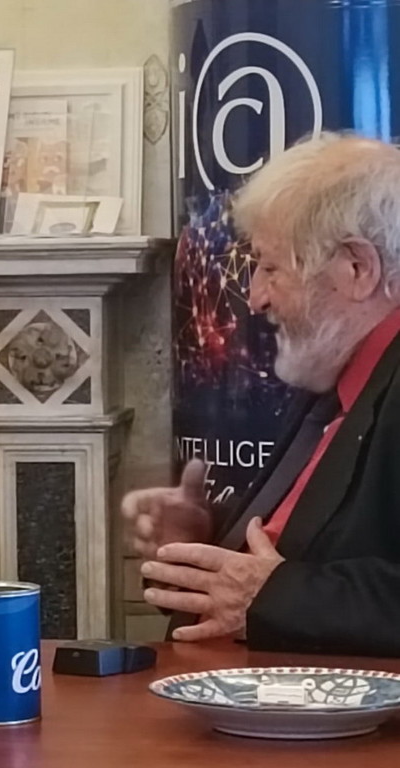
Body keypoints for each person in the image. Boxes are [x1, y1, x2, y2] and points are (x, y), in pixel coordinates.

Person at [123, 133, 400, 657]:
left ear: (357, 269)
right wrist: (204, 548)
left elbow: (280, 590)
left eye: (271, 268)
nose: (254, 297)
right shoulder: (336, 383)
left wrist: (272, 597)